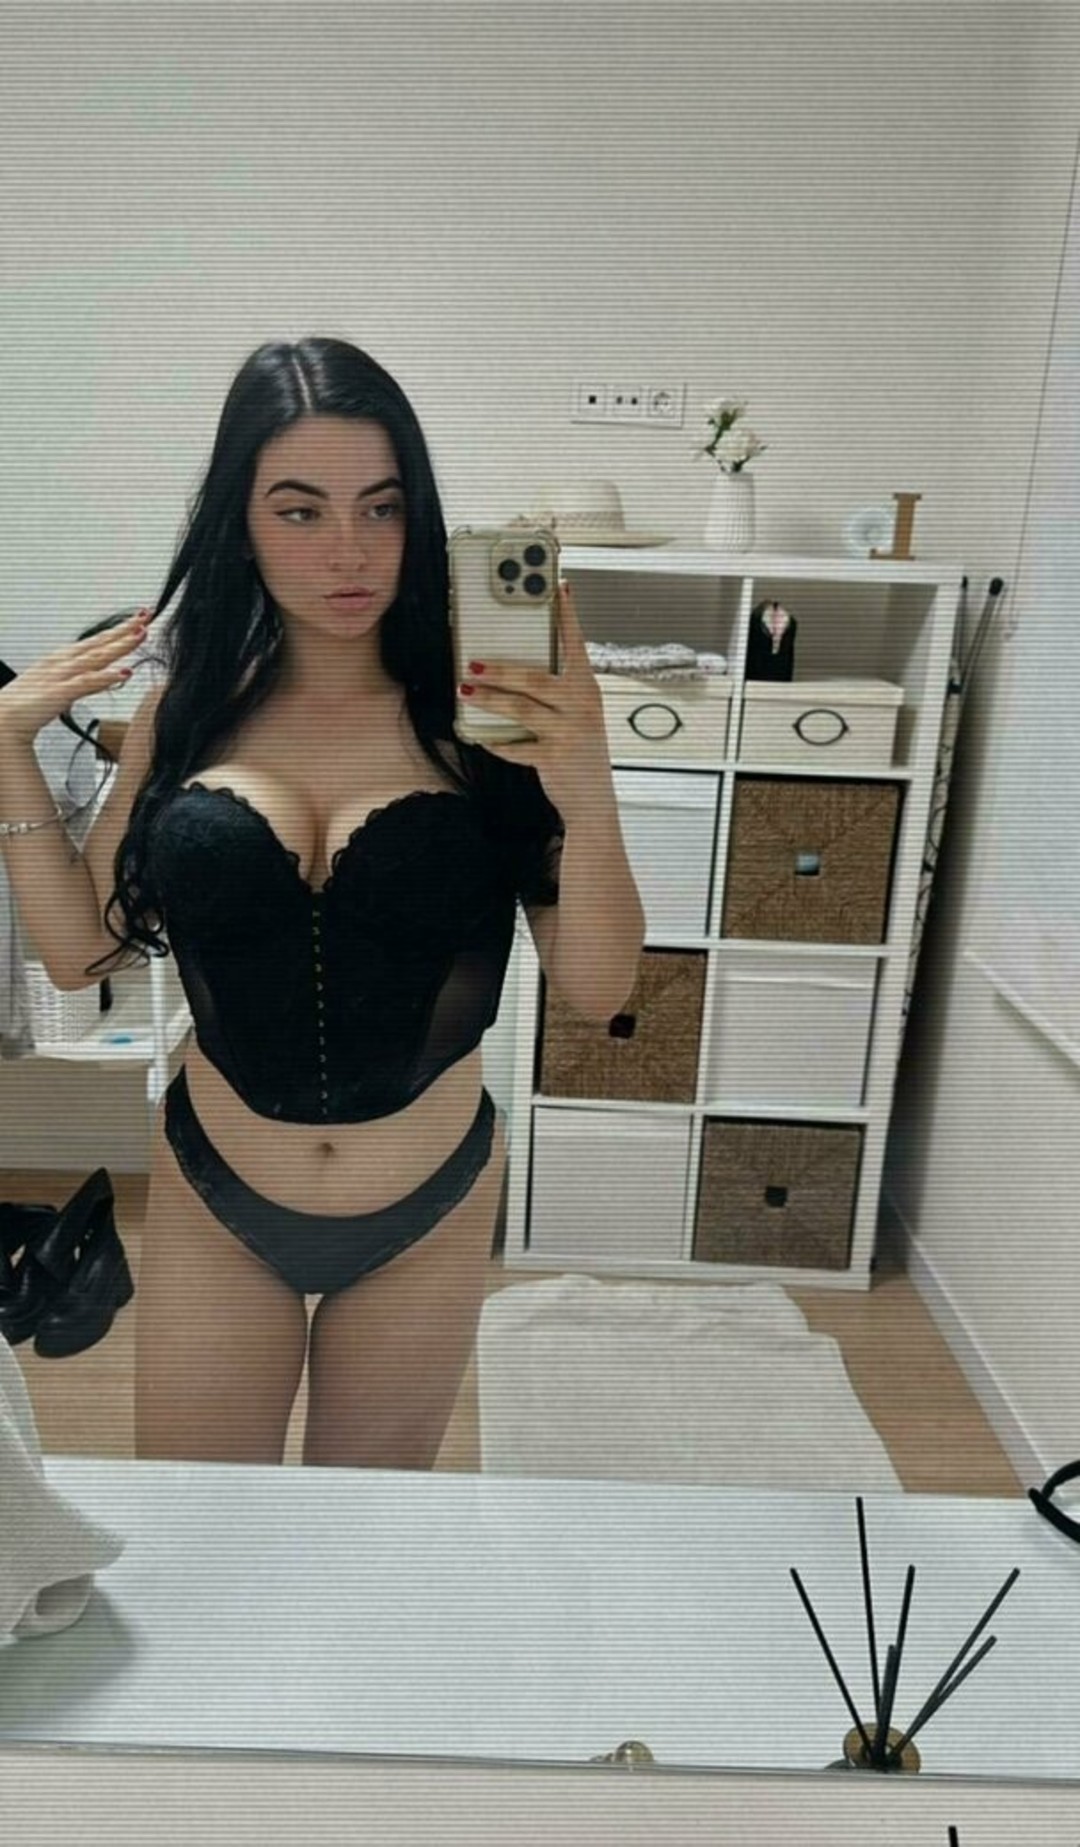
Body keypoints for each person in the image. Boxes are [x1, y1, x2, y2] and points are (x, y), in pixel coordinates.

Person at [0, 336, 645, 1468]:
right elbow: (77, 953)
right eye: (300, 510)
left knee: (364, 1541)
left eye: (381, 507)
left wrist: (588, 793)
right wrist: (6, 746)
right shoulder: (185, 718)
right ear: (240, 522)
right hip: (214, 1192)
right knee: (205, 1532)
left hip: (428, 1210)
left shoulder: (488, 732)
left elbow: (600, 989)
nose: (349, 549)